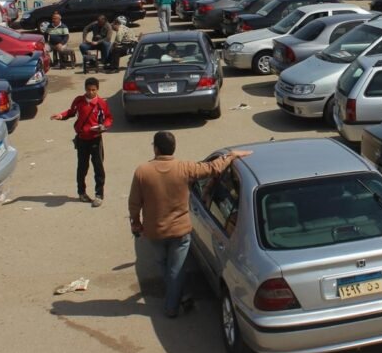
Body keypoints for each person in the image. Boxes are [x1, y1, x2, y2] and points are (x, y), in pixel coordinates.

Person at [128, 131, 252, 318]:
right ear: (173, 148)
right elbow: (213, 168)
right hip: (180, 232)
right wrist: (231, 155)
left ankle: (176, 298)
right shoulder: (185, 168)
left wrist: (136, 224)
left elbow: (134, 204)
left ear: (155, 148)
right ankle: (172, 305)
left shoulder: (142, 172)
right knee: (176, 269)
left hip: (155, 232)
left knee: (163, 264)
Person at [51, 77, 113, 207]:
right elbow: (71, 112)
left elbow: (108, 118)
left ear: (97, 90)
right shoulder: (79, 101)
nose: (91, 92)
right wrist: (61, 116)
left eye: (93, 90)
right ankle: (81, 193)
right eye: (88, 89)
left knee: (98, 167)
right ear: (85, 89)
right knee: (82, 167)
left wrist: (103, 126)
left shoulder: (101, 103)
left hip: (95, 139)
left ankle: (99, 195)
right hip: (82, 140)